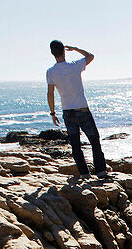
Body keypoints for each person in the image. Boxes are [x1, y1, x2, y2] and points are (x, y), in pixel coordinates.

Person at [46, 40, 108, 179]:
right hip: (82, 110)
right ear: (64, 50)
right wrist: (75, 49)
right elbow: (91, 56)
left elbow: (50, 94)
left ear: (52, 53)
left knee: (75, 145)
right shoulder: (74, 66)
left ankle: (85, 174)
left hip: (67, 112)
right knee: (94, 141)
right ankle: (101, 172)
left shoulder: (50, 72)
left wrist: (52, 113)